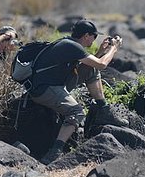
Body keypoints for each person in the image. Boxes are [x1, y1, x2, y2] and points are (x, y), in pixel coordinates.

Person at [29, 19, 128, 165]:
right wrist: (114, 49)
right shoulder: (71, 46)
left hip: (55, 84)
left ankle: (103, 109)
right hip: (44, 89)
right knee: (77, 112)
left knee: (90, 69)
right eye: (94, 36)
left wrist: (101, 51)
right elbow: (102, 64)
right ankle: (55, 151)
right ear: (86, 36)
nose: (94, 39)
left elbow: (91, 64)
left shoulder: (69, 43)